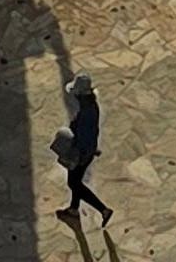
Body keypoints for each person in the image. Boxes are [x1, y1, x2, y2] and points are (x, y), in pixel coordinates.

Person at [53, 70, 112, 232]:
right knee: (76, 181)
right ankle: (73, 209)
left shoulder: (87, 112)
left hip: (81, 154)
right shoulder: (91, 106)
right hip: (88, 151)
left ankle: (103, 210)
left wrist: (75, 153)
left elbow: (84, 136)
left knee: (74, 183)